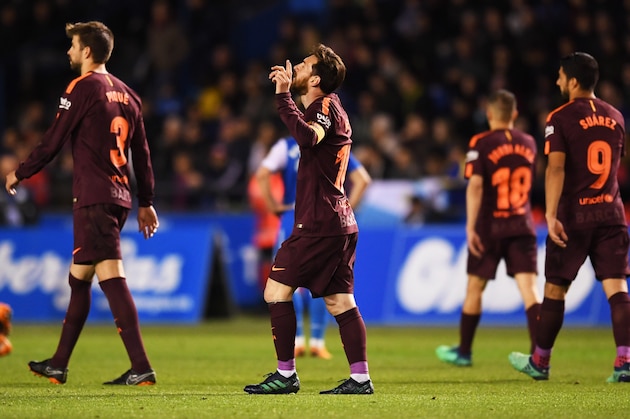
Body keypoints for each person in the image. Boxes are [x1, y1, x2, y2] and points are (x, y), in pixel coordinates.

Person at [4, 21, 159, 385]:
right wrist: (146, 200)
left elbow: (54, 138)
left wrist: (21, 171)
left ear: (87, 51)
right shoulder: (129, 95)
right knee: (80, 278)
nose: (69, 52)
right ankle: (58, 363)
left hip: (93, 197)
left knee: (112, 277)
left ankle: (141, 366)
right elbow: (144, 155)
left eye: (73, 46)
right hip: (118, 197)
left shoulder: (81, 87)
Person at [244, 44, 374, 395]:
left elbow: (307, 136)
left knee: (275, 291)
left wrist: (283, 95)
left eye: (303, 65)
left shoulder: (325, 107)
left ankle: (286, 374)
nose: (295, 67)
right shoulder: (326, 107)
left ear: (315, 79)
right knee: (339, 302)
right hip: (337, 220)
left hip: (319, 224)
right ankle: (360, 379)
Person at [509, 52, 630, 383]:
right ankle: (625, 361)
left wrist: (550, 213)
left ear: (573, 81)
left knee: (555, 289)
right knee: (617, 287)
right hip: (611, 212)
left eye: (561, 76)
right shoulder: (617, 116)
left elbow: (557, 167)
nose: (558, 81)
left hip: (574, 215)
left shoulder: (560, 117)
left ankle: (541, 361)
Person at [436, 89, 541, 367]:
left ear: (489, 113)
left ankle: (464, 352)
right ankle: (540, 356)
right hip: (521, 223)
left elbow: (476, 186)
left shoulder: (480, 143)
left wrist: (471, 228)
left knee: (475, 287)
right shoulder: (529, 142)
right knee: (529, 289)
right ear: (515, 114)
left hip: (489, 226)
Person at [255, 136, 371, 360]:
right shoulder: (333, 144)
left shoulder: (287, 146)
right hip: (328, 217)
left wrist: (273, 206)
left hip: (293, 215)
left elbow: (262, 173)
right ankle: (318, 341)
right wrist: (348, 208)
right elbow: (363, 179)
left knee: (284, 283)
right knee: (323, 281)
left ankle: (297, 341)